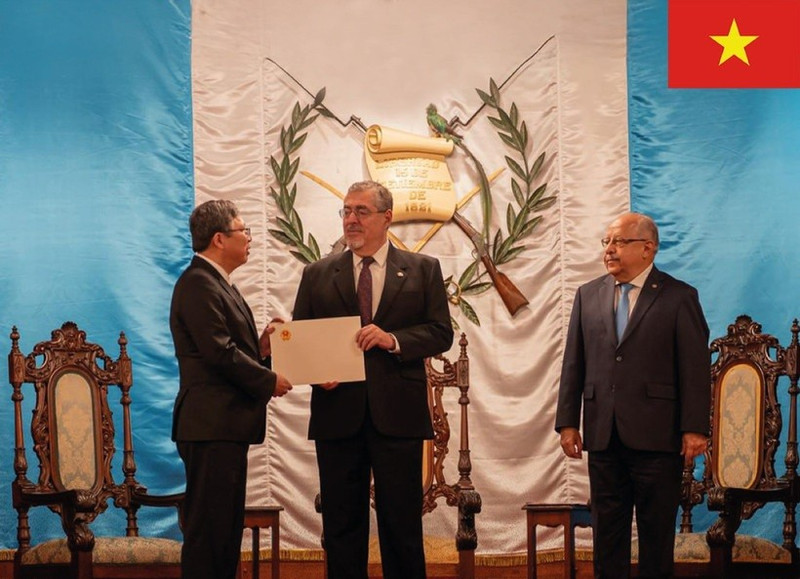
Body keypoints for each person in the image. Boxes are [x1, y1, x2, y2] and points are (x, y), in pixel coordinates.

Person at [291, 180, 454, 579]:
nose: (351, 219)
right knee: (342, 527)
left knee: (401, 526)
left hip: (397, 417)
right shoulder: (317, 273)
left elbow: (440, 332)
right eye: (346, 211)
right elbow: (302, 338)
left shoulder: (423, 269)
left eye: (361, 211)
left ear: (387, 217)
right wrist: (316, 374)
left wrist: (394, 339)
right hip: (337, 415)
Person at [554, 212, 710, 579]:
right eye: (606, 242)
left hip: (658, 437)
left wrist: (694, 428)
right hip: (603, 435)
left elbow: (694, 367)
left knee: (656, 537)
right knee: (607, 535)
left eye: (618, 242)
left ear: (648, 248)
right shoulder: (587, 295)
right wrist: (567, 423)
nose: (609, 250)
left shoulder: (679, 296)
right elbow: (573, 362)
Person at [170, 199, 293, 579]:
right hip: (209, 426)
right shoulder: (197, 283)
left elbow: (228, 349)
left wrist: (262, 349)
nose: (250, 239)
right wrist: (268, 380)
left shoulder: (217, 283)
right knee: (209, 534)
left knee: (224, 532)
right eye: (245, 231)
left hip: (222, 426)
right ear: (220, 239)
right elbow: (218, 354)